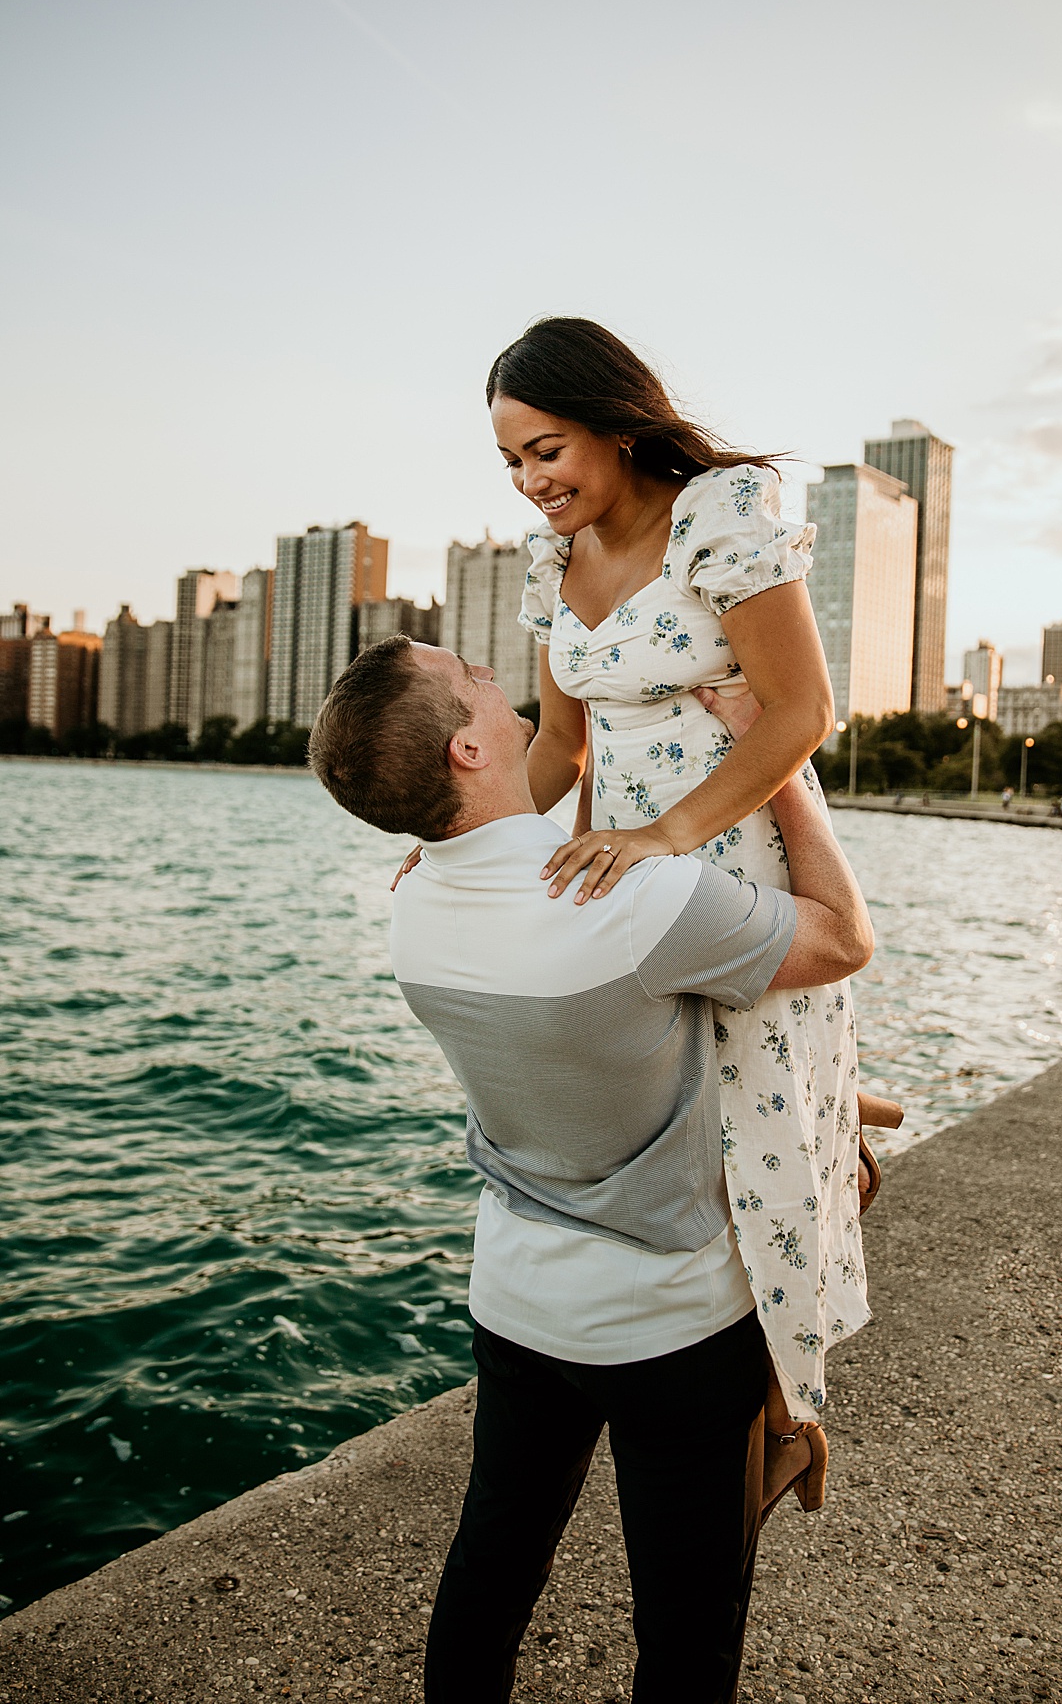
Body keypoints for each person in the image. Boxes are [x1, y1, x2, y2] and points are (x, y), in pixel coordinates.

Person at [308, 634, 875, 1704]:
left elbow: (525, 841)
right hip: (668, 1325)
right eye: (469, 675)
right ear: (470, 747)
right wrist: (785, 772)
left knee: (492, 1573)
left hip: (518, 1306)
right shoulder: (635, 901)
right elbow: (843, 940)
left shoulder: (416, 908)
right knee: (687, 1626)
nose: (491, 669)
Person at [489, 317, 868, 1458]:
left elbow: (802, 713)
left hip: (727, 850)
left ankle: (777, 1411)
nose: (529, 481)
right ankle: (844, 1145)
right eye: (511, 460)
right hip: (618, 871)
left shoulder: (722, 514)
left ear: (614, 423)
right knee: (674, 1123)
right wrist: (474, 835)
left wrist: (667, 832)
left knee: (747, 1113)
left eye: (546, 449)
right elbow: (555, 746)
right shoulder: (549, 564)